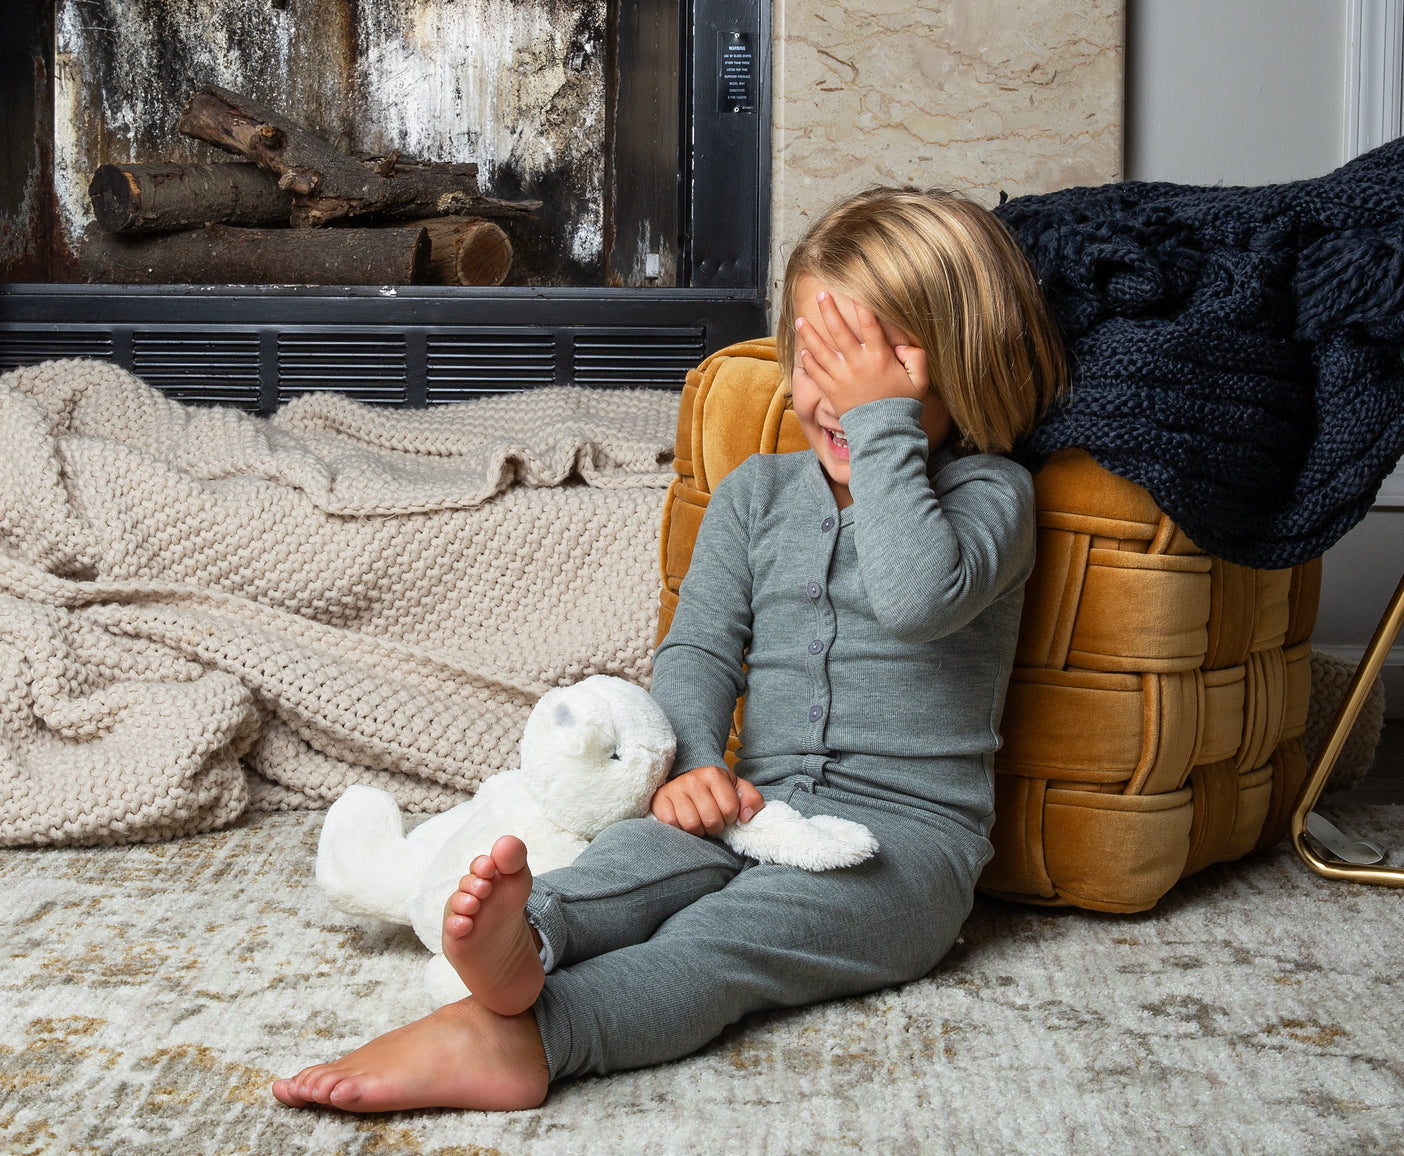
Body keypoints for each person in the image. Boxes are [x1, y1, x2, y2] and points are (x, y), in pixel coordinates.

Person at [272, 186, 1068, 1113]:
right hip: (750, 804)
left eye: (879, 364)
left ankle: (536, 1038)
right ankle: (523, 943)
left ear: (964, 363)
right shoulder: (757, 496)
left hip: (899, 852)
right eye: (818, 362)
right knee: (626, 868)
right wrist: (688, 769)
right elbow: (697, 648)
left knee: (728, 937)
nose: (841, 398)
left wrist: (885, 423)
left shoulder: (989, 497)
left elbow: (914, 594)